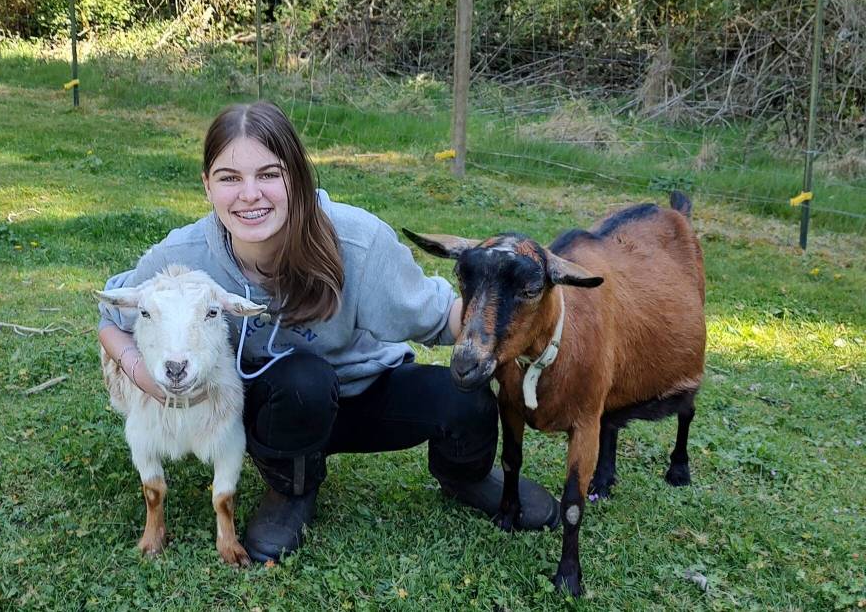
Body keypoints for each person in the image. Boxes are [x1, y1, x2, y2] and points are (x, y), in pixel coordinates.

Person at [97, 101, 559, 563]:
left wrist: (532, 325)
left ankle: (467, 475)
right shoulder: (186, 253)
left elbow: (443, 317)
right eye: (229, 178)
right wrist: (142, 375)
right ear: (207, 185)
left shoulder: (358, 241)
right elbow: (111, 319)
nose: (250, 194)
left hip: (365, 393)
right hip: (281, 407)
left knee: (467, 399)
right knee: (304, 380)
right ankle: (290, 491)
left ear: (296, 177)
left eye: (268, 174)